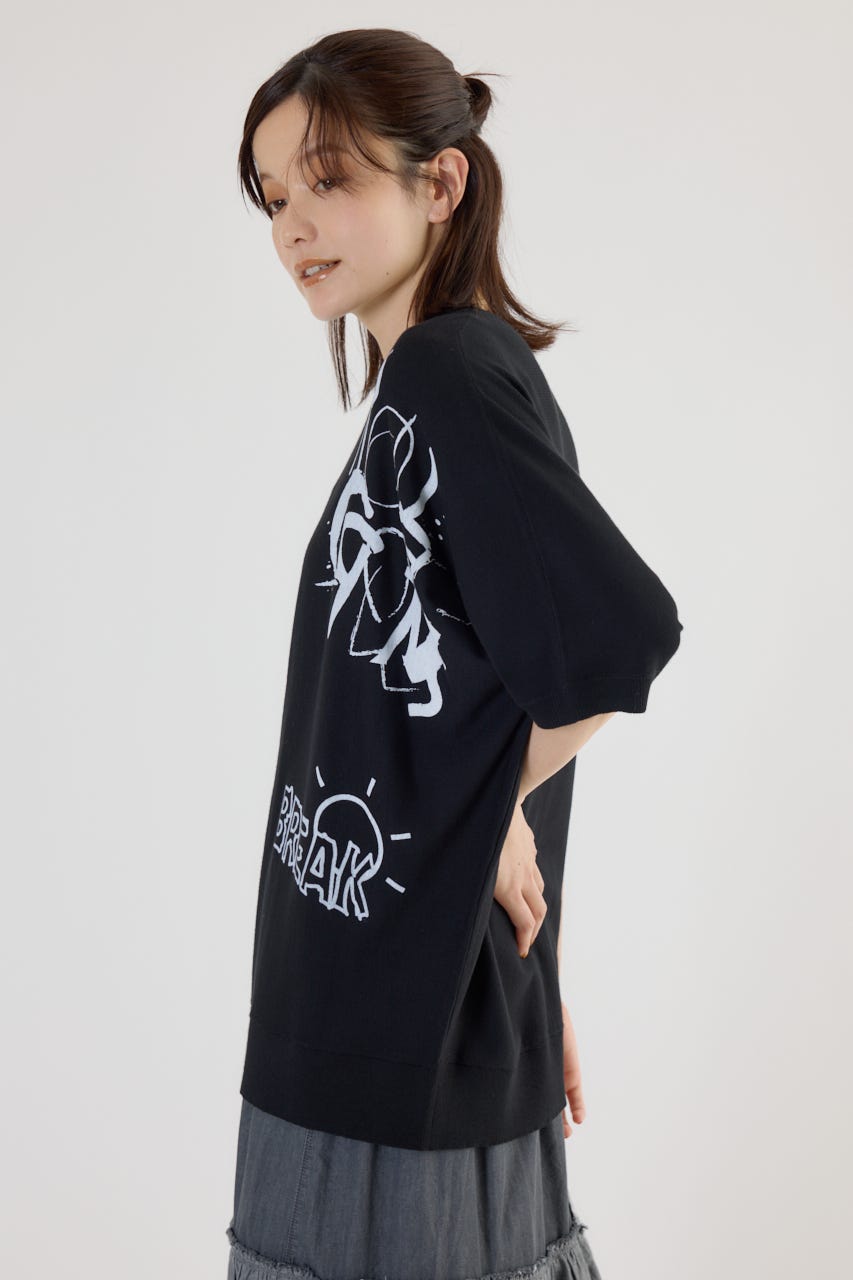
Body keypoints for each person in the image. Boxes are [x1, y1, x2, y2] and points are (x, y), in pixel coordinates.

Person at [226, 26, 683, 1280]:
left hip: (390, 1045)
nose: (294, 225)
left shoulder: (451, 371)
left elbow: (620, 636)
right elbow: (485, 693)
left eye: (329, 179)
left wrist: (484, 811)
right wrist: (497, 841)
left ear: (441, 183)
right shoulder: (429, 388)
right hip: (393, 1009)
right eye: (274, 197)